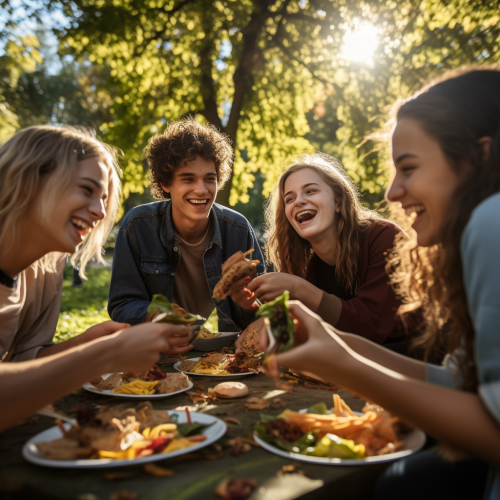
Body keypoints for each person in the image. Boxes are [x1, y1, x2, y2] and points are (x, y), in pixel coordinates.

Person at [263, 68, 500, 500]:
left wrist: (343, 363)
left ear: (480, 158)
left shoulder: (490, 221)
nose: (392, 191)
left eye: (408, 167)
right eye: (289, 198)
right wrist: (334, 347)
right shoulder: (308, 260)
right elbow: (457, 382)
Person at [0, 126, 192, 431]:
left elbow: (22, 363)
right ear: (28, 179)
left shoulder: (45, 270)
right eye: (87, 190)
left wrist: (87, 342)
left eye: (104, 198)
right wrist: (104, 354)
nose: (101, 212)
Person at [108, 117, 265, 331]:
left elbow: (262, 312)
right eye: (188, 179)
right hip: (156, 348)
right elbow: (122, 305)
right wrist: (159, 317)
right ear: (166, 182)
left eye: (210, 179)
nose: (201, 190)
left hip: (223, 356)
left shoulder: (238, 230)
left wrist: (249, 305)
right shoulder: (137, 226)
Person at [247, 154, 405, 344]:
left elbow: (370, 325)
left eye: (311, 191)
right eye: (289, 199)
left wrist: (298, 288)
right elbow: (305, 332)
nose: (298, 201)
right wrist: (252, 305)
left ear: (338, 201)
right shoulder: (310, 266)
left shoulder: (385, 238)